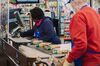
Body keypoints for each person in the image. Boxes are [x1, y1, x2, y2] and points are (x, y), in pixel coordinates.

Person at [63, 0, 100, 66]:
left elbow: (81, 45)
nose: (71, 6)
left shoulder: (79, 16)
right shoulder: (95, 13)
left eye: (70, 3)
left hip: (88, 60)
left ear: (75, 2)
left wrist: (69, 60)